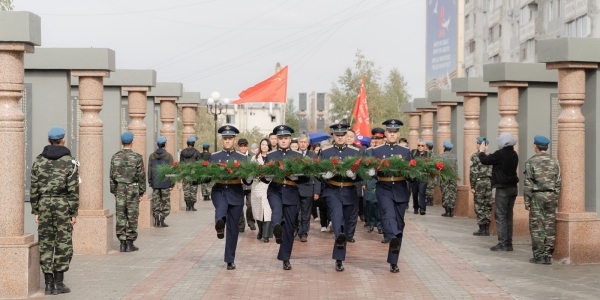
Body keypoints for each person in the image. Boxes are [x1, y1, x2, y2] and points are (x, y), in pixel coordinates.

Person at [31, 126, 79, 295]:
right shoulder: (70, 161)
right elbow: (73, 189)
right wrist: (73, 212)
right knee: (63, 242)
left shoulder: (38, 160)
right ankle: (59, 282)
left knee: (45, 242)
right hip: (63, 204)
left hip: (44, 204)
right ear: (63, 139)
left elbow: (34, 188)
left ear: (48, 140)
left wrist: (36, 209)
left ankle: (48, 284)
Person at [264, 125, 308, 270]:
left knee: (289, 227)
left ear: (290, 139)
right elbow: (265, 179)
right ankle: (276, 227)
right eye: (280, 138)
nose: (283, 141)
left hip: (291, 191)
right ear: (276, 139)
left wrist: (297, 177)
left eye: (286, 138)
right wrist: (264, 175)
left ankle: (285, 258)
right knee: (276, 210)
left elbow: (306, 178)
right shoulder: (270, 156)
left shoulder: (297, 156)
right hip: (275, 189)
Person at [209, 125, 252, 270]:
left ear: (234, 140)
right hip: (219, 189)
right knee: (221, 208)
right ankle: (219, 224)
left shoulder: (242, 158)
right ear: (222, 140)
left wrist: (249, 177)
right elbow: (207, 175)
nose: (227, 141)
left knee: (233, 229)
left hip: (235, 192)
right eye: (225, 138)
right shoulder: (214, 157)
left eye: (230, 138)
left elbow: (247, 180)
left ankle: (229, 259)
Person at [319, 124, 361, 272]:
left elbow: (363, 173)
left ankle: (340, 254)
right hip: (333, 190)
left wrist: (355, 175)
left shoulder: (356, 152)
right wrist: (325, 176)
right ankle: (339, 252)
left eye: (343, 134)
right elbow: (318, 172)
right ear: (333, 136)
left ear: (346, 135)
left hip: (349, 190)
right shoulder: (326, 152)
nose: (340, 137)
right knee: (337, 220)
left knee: (347, 225)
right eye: (337, 135)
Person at [371, 119, 411, 273]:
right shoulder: (377, 151)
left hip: (400, 188)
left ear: (398, 133)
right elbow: (373, 170)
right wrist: (372, 172)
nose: (392, 134)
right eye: (389, 132)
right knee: (388, 216)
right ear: (385, 134)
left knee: (399, 225)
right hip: (384, 188)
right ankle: (392, 235)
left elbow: (409, 172)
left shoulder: (406, 151)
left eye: (395, 132)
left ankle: (393, 261)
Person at [478, 132, 519, 252]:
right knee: (508, 216)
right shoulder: (514, 154)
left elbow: (485, 160)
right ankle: (509, 243)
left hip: (503, 189)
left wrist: (481, 151)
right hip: (513, 188)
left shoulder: (500, 154)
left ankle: (502, 243)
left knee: (500, 216)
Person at [524, 135, 561, 265]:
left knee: (537, 226)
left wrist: (527, 201)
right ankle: (547, 255)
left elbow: (528, 183)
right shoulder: (554, 161)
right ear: (547, 146)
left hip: (537, 196)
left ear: (535, 146)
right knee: (550, 225)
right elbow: (558, 182)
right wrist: (555, 197)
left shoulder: (531, 162)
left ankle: (538, 255)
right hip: (551, 196)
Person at [110, 131, 146, 253]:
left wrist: (115, 191)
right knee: (132, 214)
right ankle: (130, 243)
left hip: (120, 188)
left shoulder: (115, 157)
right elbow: (141, 176)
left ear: (121, 142)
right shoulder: (137, 157)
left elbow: (112, 177)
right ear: (132, 142)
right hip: (133, 188)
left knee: (121, 215)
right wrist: (141, 192)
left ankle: (122, 243)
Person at [295, 134, 321, 243]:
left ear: (308, 143)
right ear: (298, 143)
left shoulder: (313, 156)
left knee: (306, 212)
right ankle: (295, 228)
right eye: (301, 142)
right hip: (294, 188)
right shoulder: (293, 155)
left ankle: (303, 233)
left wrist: (316, 191)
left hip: (308, 187)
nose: (302, 144)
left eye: (305, 142)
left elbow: (317, 175)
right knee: (295, 211)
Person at [148, 136, 174, 228]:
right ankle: (162, 219)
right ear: (165, 144)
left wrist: (150, 182)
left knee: (156, 202)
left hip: (155, 183)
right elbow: (171, 171)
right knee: (165, 203)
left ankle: (156, 220)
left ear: (157, 144)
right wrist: (172, 183)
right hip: (165, 183)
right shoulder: (169, 156)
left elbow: (150, 170)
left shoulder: (151, 156)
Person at [363, 127, 385, 237]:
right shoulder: (368, 152)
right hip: (371, 180)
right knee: (371, 202)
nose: (376, 140)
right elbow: (363, 167)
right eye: (374, 138)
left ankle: (380, 225)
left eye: (379, 138)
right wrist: (364, 182)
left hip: (382, 180)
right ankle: (371, 223)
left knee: (380, 203)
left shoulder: (385, 150)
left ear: (383, 139)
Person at [251, 139, 274, 242]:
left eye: (266, 144)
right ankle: (260, 231)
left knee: (267, 211)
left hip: (269, 186)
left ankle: (266, 235)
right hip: (257, 187)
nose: (264, 146)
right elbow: (251, 171)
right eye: (262, 144)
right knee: (258, 210)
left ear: (269, 146)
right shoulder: (255, 158)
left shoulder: (272, 157)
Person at [471, 137, 493, 236]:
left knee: (479, 205)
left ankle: (481, 228)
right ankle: (487, 228)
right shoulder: (491, 156)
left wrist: (472, 185)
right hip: (488, 182)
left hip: (479, 182)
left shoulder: (475, 156)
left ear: (479, 145)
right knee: (487, 205)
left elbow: (473, 172)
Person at [237, 138, 256, 232]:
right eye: (241, 146)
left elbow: (255, 169)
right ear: (238, 147)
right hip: (238, 185)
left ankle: (251, 222)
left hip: (250, 185)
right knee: (239, 205)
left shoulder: (253, 156)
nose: (243, 147)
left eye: (244, 146)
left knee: (250, 205)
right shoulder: (235, 156)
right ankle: (241, 224)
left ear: (247, 146)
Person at [180, 136, 202, 211]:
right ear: (194, 143)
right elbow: (199, 164)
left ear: (187, 143)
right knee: (193, 190)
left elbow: (181, 163)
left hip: (186, 173)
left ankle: (187, 205)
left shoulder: (183, 152)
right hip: (194, 174)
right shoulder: (197, 152)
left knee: (186, 190)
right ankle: (192, 206)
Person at [410, 139, 430, 215]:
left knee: (422, 192)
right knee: (415, 192)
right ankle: (415, 207)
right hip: (414, 176)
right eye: (419, 145)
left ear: (425, 147)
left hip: (423, 176)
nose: (420, 147)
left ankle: (422, 209)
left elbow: (431, 165)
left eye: (422, 145)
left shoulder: (428, 154)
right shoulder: (413, 153)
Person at [439, 141, 458, 217]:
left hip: (445, 177)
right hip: (453, 177)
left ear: (444, 147)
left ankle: (447, 211)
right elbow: (456, 168)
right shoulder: (454, 156)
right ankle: (451, 211)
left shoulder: (441, 157)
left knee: (445, 193)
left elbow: (439, 168)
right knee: (452, 193)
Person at [425, 141, 435, 206]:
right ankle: (430, 200)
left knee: (428, 187)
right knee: (431, 186)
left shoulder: (427, 154)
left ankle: (428, 201)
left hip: (427, 172)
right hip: (433, 172)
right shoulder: (433, 154)